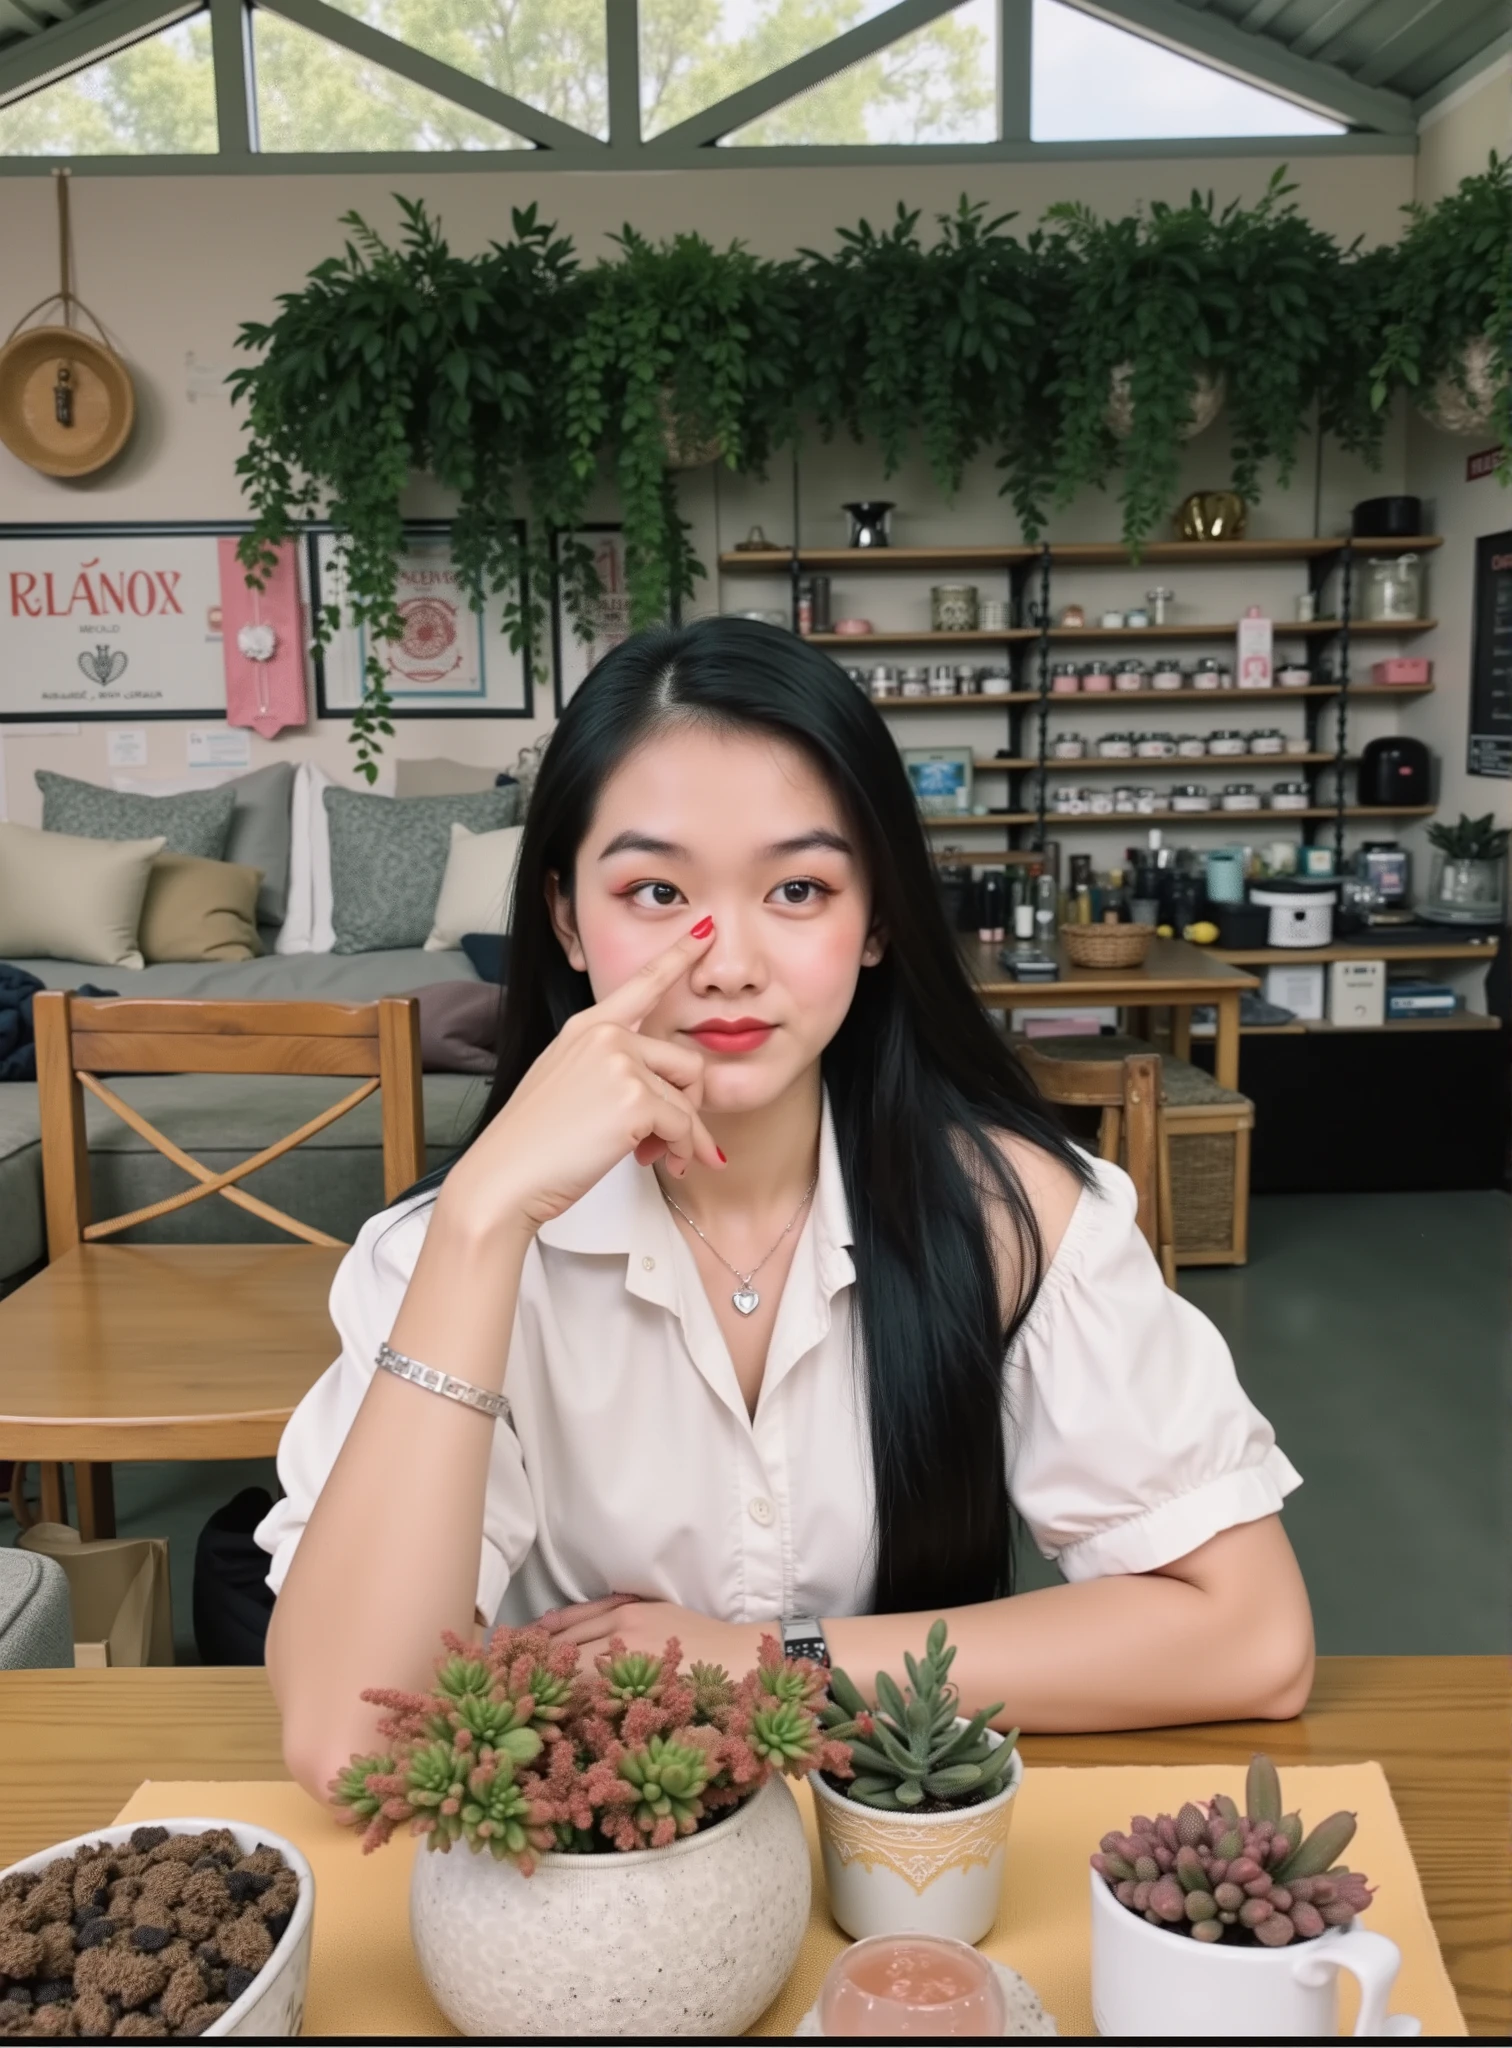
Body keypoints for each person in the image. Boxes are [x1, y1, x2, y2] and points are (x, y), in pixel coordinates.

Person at [261, 618, 1312, 1800]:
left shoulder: (1013, 1210)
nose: (727, 960)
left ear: (875, 923)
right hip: (575, 1898)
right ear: (564, 917)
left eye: (798, 887)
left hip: (900, 1877)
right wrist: (479, 1219)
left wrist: (770, 1665)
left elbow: (1254, 1636)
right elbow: (349, 1737)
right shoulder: (452, 1252)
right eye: (657, 889)